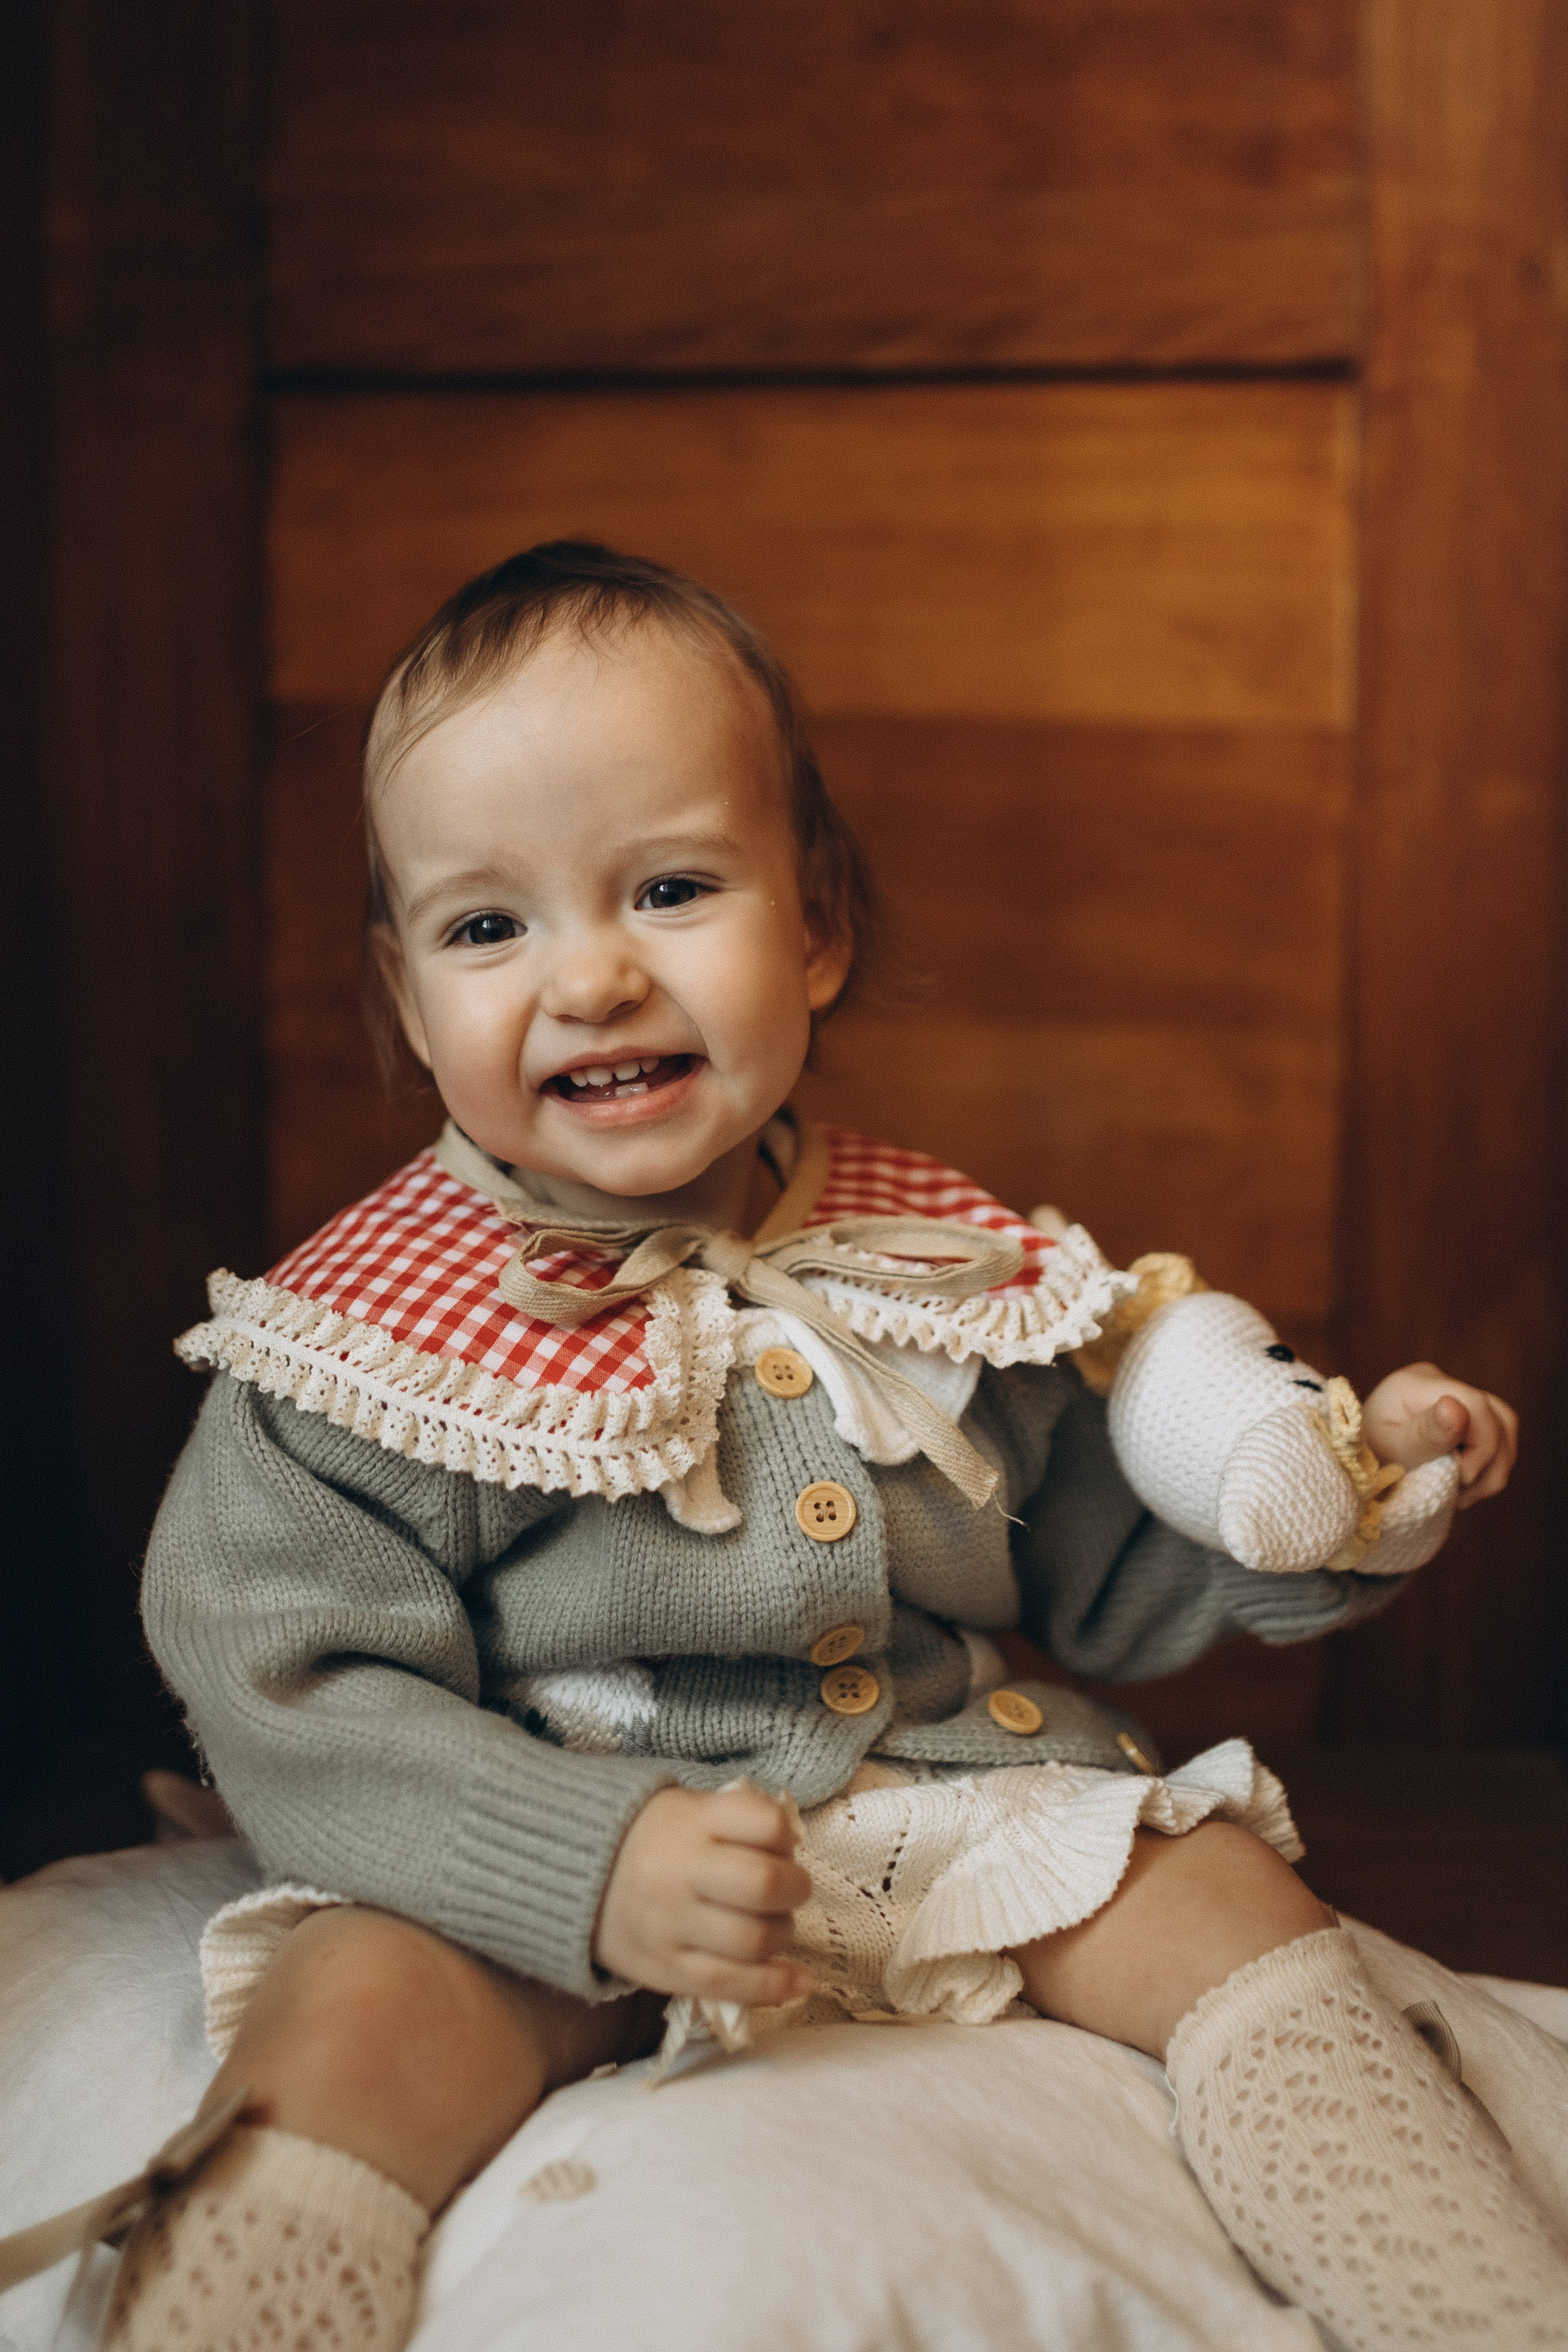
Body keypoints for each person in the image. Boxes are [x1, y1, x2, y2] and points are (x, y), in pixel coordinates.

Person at [101, 542, 1554, 2350]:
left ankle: (1466, 2298)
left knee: (1231, 1899)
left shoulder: (935, 1263)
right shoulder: (374, 1344)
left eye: (672, 887)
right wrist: (590, 1863)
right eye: (490, 925)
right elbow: (281, 1690)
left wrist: (1326, 1498)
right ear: (407, 1002)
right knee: (354, 2022)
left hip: (930, 1795)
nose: (592, 977)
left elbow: (1105, 1553)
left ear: (818, 926)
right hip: (548, 1838)